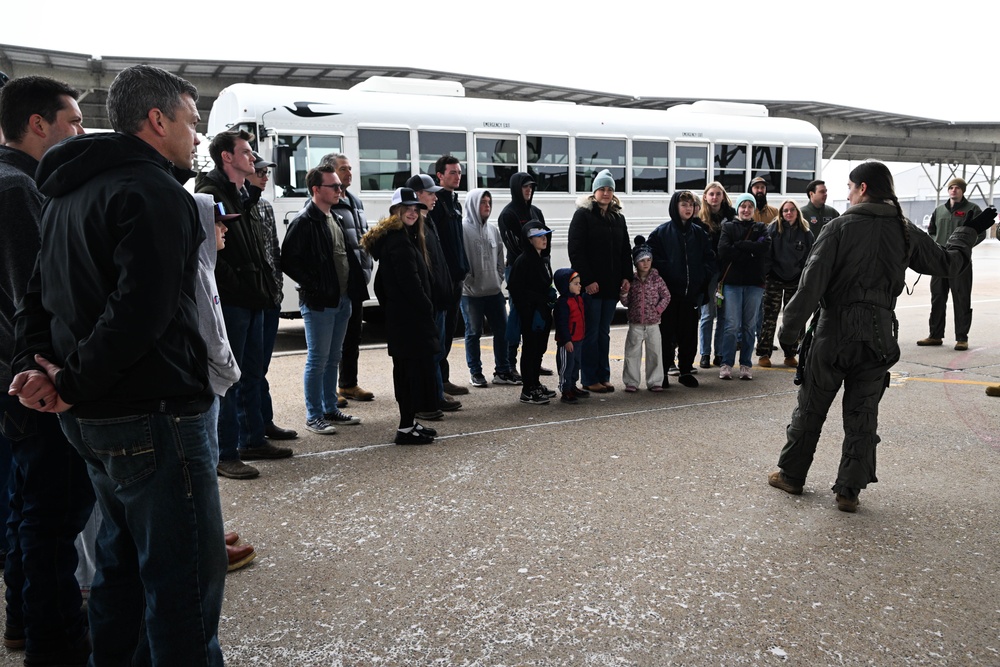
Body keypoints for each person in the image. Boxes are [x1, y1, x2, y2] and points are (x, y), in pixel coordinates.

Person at [10, 64, 227, 665]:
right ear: (157, 121)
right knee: (183, 590)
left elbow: (37, 295)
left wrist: (38, 371)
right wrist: (69, 382)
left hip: (93, 419)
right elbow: (141, 311)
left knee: (121, 572)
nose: (195, 135)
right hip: (152, 416)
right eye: (191, 121)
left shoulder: (64, 190)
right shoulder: (155, 192)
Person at [768, 161, 995, 512]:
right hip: (879, 335)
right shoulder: (904, 230)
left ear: (862, 188)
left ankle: (792, 476)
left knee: (811, 408)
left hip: (834, 332)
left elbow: (811, 283)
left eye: (849, 187)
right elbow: (948, 264)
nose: (846, 194)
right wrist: (968, 232)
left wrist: (789, 332)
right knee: (863, 414)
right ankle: (849, 491)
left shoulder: (839, 227)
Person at [0, 74, 94, 665]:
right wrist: (61, 376)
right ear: (40, 124)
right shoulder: (17, 190)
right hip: (33, 385)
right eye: (75, 121)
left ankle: (23, 623)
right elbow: (40, 299)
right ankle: (53, 641)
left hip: (16, 380)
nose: (81, 132)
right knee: (51, 520)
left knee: (28, 509)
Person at [197, 129, 288, 478]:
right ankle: (226, 453)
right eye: (247, 152)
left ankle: (252, 438)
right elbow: (212, 256)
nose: (253, 158)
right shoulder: (211, 194)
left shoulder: (239, 194)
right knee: (229, 378)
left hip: (252, 299)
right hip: (235, 302)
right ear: (227, 157)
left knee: (251, 373)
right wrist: (238, 287)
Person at [191, 194, 257, 572]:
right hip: (208, 383)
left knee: (206, 460)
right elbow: (211, 334)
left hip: (210, 381)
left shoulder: (204, 264)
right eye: (217, 222)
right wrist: (230, 372)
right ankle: (207, 546)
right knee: (203, 464)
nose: (225, 228)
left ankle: (210, 531)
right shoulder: (197, 269)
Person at [281, 164, 363, 434]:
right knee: (318, 359)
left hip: (341, 300)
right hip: (320, 302)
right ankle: (314, 415)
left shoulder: (333, 216)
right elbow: (288, 260)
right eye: (334, 186)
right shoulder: (305, 220)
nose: (340, 190)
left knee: (333, 357)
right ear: (317, 189)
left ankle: (329, 408)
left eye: (340, 185)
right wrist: (314, 285)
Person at [360, 188, 440, 445]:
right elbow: (410, 284)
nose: (412, 213)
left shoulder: (400, 239)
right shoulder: (399, 242)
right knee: (410, 375)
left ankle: (410, 423)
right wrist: (426, 308)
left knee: (408, 373)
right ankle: (406, 428)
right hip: (410, 322)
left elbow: (382, 287)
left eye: (416, 209)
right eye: (407, 208)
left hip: (404, 320)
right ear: (395, 211)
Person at [247, 151, 298, 441]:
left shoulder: (265, 206)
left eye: (268, 173)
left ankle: (264, 420)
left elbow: (274, 252)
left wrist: (277, 291)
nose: (266, 177)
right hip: (252, 298)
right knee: (251, 369)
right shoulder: (241, 204)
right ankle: (253, 429)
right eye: (261, 172)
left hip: (269, 298)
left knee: (262, 366)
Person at [568, 169, 632, 393]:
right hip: (593, 286)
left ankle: (604, 375)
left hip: (611, 285)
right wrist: (587, 280)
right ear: (594, 192)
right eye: (602, 189)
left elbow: (625, 249)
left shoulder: (618, 217)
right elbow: (576, 251)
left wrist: (626, 276)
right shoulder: (583, 215)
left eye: (610, 189)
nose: (606, 193)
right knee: (591, 333)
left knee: (604, 332)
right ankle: (589, 377)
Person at [405, 173, 461, 418]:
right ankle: (431, 398)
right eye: (430, 192)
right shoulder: (415, 225)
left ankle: (436, 394)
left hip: (438, 297)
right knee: (429, 352)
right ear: (417, 195)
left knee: (436, 350)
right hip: (431, 299)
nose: (435, 196)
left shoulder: (427, 220)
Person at [322, 153, 376, 405]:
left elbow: (363, 238)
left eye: (350, 169)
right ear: (330, 172)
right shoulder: (325, 203)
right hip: (336, 283)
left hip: (356, 281)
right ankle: (326, 392)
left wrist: (367, 268)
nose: (349, 173)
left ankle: (348, 384)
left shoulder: (355, 201)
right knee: (332, 342)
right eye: (343, 169)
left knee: (353, 335)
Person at [648, 191, 715, 389]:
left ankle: (685, 369)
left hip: (690, 295)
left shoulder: (699, 233)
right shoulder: (661, 232)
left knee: (689, 334)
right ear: (675, 207)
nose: (688, 208)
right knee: (666, 335)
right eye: (683, 204)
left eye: (691, 205)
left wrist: (702, 277)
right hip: (668, 296)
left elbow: (709, 258)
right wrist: (669, 271)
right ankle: (664, 370)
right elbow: (652, 259)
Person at [917, 177, 986, 351]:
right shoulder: (939, 210)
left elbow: (981, 234)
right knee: (938, 298)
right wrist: (934, 247)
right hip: (939, 261)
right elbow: (931, 231)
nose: (953, 190)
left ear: (963, 191)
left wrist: (964, 247)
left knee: (961, 299)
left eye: (957, 188)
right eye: (951, 187)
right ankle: (935, 335)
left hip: (961, 263)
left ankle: (962, 338)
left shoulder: (973, 210)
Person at [460, 189, 514, 388]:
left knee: (503, 331)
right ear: (473, 204)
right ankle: (476, 372)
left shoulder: (493, 229)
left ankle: (502, 370)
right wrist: (468, 280)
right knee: (473, 333)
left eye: (489, 202)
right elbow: (459, 258)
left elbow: (500, 255)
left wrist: (499, 276)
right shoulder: (462, 228)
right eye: (483, 202)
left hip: (494, 291)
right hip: (471, 294)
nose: (487, 206)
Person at [498, 172, 548, 380]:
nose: (528, 190)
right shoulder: (508, 214)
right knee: (518, 316)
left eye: (531, 187)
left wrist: (543, 266)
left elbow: (546, 241)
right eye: (524, 187)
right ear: (516, 189)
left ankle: (535, 360)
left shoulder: (536, 212)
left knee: (539, 317)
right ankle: (510, 364)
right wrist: (531, 264)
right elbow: (514, 246)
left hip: (538, 271)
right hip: (519, 272)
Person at [428, 155, 470, 397]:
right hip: (443, 280)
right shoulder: (437, 203)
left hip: (457, 277)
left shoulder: (456, 202)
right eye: (452, 172)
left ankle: (443, 378)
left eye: (459, 172)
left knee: (450, 332)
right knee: (439, 333)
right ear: (440, 176)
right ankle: (437, 383)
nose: (457, 176)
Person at [717, 193, 770, 380]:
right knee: (731, 325)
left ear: (754, 209)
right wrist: (750, 250)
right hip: (732, 283)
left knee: (749, 326)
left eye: (750, 206)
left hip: (755, 283)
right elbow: (723, 250)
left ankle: (746, 364)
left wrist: (739, 246)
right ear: (738, 208)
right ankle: (726, 363)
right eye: (743, 206)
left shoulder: (761, 227)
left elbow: (764, 247)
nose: (746, 210)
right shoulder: (728, 227)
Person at [756, 200, 815, 368]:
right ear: (781, 213)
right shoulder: (773, 230)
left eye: (791, 210)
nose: (788, 213)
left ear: (797, 212)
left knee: (794, 319)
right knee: (769, 317)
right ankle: (764, 353)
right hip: (774, 279)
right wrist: (767, 275)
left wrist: (804, 278)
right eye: (785, 211)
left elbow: (810, 258)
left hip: (795, 280)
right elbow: (766, 255)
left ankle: (791, 353)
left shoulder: (806, 233)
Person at [508, 221, 555, 405]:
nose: (544, 239)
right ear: (529, 239)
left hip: (541, 313)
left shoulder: (542, 258)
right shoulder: (524, 260)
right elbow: (516, 288)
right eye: (539, 236)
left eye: (545, 235)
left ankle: (535, 382)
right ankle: (528, 389)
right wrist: (536, 302)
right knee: (530, 349)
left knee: (539, 349)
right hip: (531, 314)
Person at [619, 237, 670, 392]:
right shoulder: (631, 281)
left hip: (653, 324)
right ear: (635, 263)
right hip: (635, 324)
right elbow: (625, 302)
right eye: (642, 260)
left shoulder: (657, 279)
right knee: (632, 354)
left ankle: (655, 381)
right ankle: (631, 382)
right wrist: (624, 293)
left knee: (655, 353)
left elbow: (666, 296)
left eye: (648, 259)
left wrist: (658, 310)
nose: (646, 263)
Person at [697, 182, 735, 369]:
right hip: (708, 272)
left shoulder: (731, 216)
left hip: (727, 271)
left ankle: (719, 353)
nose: (714, 197)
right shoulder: (700, 218)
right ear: (705, 196)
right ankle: (705, 353)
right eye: (711, 194)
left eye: (718, 194)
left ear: (723, 196)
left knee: (724, 314)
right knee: (707, 314)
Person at [553, 268, 587, 404]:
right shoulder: (563, 303)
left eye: (579, 283)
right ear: (566, 286)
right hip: (568, 342)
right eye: (576, 283)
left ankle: (572, 385)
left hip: (578, 339)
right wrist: (567, 340)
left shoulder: (578, 299)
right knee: (566, 366)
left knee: (575, 365)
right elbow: (561, 324)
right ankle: (565, 389)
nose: (580, 286)